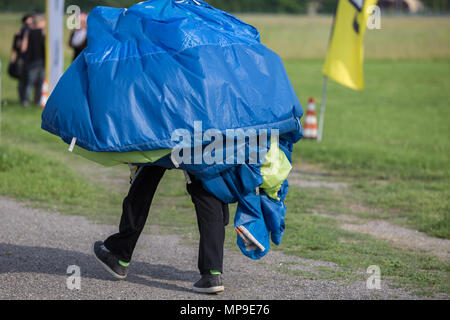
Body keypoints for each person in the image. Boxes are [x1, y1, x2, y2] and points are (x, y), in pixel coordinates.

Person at [93, 165, 230, 294]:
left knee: (148, 171)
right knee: (204, 178)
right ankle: (212, 272)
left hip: (169, 140)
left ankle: (119, 254)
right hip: (199, 141)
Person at [20, 14, 46, 107]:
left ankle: (25, 101)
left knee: (30, 82)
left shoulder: (29, 32)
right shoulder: (43, 33)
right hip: (41, 60)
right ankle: (36, 101)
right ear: (40, 22)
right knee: (39, 83)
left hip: (31, 60)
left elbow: (23, 48)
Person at [8, 14, 34, 103]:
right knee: (22, 79)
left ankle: (26, 99)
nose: (29, 26)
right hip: (22, 59)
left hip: (31, 59)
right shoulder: (21, 33)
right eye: (27, 24)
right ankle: (23, 99)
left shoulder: (34, 32)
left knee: (29, 80)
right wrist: (13, 60)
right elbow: (17, 47)